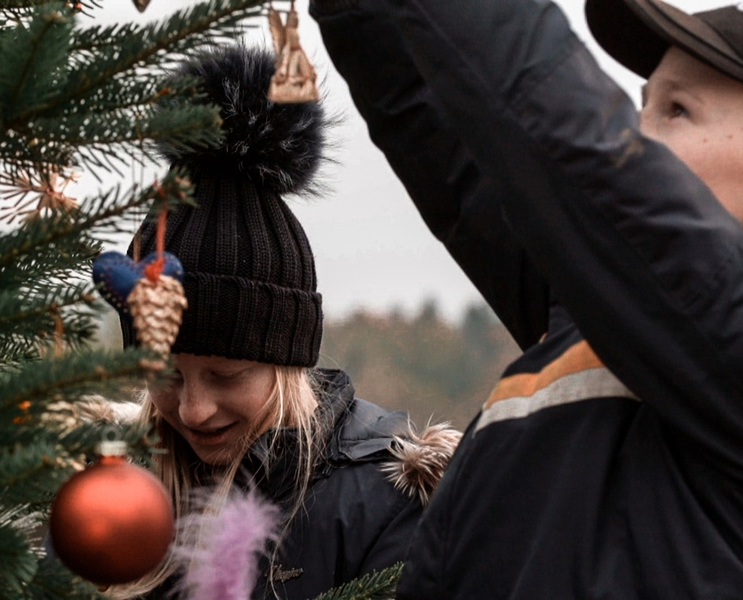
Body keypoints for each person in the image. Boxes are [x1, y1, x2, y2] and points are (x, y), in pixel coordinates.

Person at [308, 0, 743, 598]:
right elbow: (450, 143)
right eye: (640, 105)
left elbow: (558, 125)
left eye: (676, 109)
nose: (639, 136)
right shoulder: (586, 325)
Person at [109, 43, 461, 600]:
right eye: (168, 375)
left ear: (288, 360)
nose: (194, 409)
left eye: (226, 374)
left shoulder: (389, 504)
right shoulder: (107, 501)